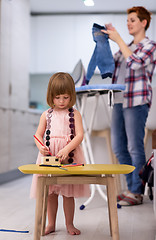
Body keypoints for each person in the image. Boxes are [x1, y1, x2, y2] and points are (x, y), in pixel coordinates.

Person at [102, 6, 156, 206]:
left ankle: (137, 192)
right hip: (119, 100)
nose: (128, 23)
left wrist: (118, 41)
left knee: (134, 147)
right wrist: (104, 41)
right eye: (127, 21)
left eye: (132, 20)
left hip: (137, 102)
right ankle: (131, 189)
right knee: (118, 146)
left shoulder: (150, 46)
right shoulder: (125, 46)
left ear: (143, 23)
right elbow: (109, 65)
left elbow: (134, 63)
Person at [30, 72, 90, 235]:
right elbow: (38, 135)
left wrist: (67, 149)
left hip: (68, 157)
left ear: (71, 96)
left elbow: (79, 135)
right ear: (51, 96)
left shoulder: (75, 114)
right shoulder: (46, 114)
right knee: (50, 193)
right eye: (58, 97)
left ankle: (69, 224)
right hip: (49, 158)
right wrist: (40, 146)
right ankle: (51, 224)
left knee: (68, 193)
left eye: (65, 97)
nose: (62, 101)